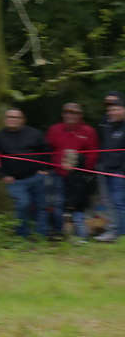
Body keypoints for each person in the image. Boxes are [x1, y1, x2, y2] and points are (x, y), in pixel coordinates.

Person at [0, 107, 55, 239]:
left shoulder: (35, 134)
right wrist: (2, 175)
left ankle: (41, 235)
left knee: (41, 206)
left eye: (16, 117)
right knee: (23, 204)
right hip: (15, 180)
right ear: (5, 119)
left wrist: (45, 168)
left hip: (36, 177)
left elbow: (47, 151)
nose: (12, 120)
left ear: (22, 120)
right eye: (9, 117)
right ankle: (22, 236)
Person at [46, 102, 99, 241]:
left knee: (77, 205)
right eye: (67, 112)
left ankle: (81, 236)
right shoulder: (54, 129)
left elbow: (93, 154)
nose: (70, 115)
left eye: (74, 112)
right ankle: (58, 233)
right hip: (57, 174)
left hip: (79, 176)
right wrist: (50, 167)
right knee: (57, 203)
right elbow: (47, 150)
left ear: (80, 115)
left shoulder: (88, 131)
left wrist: (81, 165)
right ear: (63, 114)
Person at [94, 92, 125, 242]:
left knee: (118, 201)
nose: (112, 112)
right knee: (108, 202)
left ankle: (120, 233)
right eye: (110, 110)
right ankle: (114, 231)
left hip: (119, 171)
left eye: (116, 109)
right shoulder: (105, 124)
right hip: (104, 168)